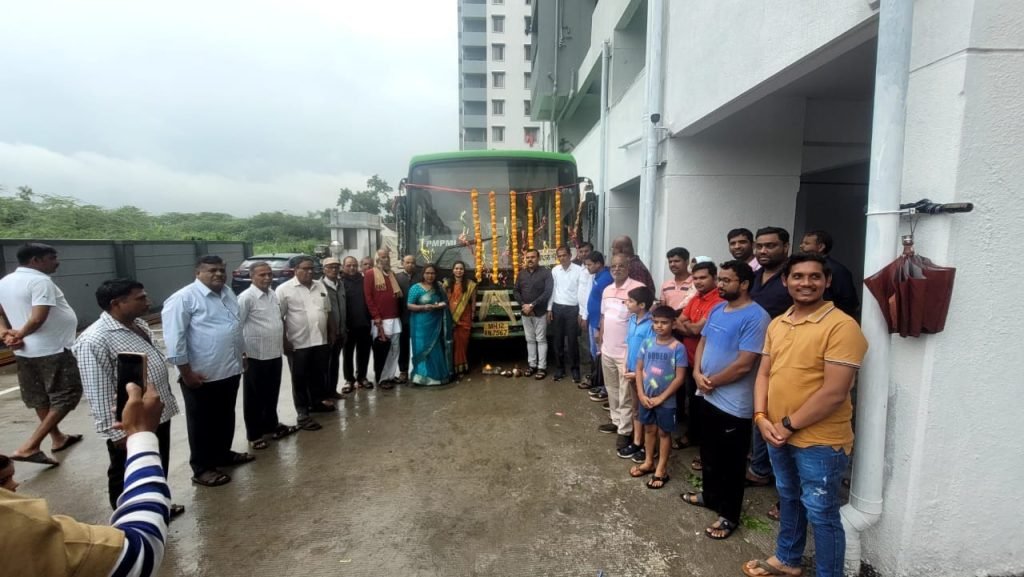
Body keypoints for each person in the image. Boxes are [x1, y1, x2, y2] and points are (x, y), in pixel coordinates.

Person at [743, 253, 867, 577]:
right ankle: (788, 559)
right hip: (775, 432)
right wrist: (760, 417)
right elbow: (764, 374)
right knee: (789, 497)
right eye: (798, 276)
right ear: (786, 281)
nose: (806, 283)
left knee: (821, 512)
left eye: (815, 276)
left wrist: (787, 425)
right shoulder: (778, 323)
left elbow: (835, 392)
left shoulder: (842, 326)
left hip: (820, 441)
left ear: (827, 281)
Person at [1, 382, 171, 577]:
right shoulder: (19, 528)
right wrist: (141, 436)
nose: (15, 485)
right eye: (2, 482)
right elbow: (138, 555)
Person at [72, 279, 184, 517]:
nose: (148, 301)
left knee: (154, 462)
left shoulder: (139, 324)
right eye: (140, 298)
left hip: (155, 413)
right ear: (116, 303)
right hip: (128, 423)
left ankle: (155, 506)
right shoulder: (94, 339)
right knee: (127, 471)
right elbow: (98, 392)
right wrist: (118, 434)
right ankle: (127, 516)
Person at [680, 260, 770, 540]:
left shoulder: (757, 317)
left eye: (726, 280)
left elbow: (745, 364)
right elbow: (703, 341)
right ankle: (710, 496)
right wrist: (697, 373)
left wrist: (712, 382)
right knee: (709, 452)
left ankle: (729, 515)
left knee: (731, 462)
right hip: (707, 394)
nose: (720, 284)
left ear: (744, 284)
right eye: (719, 279)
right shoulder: (718, 309)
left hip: (733, 404)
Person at [162, 255, 251, 488]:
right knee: (202, 423)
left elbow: (235, 327)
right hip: (202, 375)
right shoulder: (183, 299)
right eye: (212, 270)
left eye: (221, 270)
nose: (218, 274)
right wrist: (186, 373)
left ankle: (222, 455)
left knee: (225, 416)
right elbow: (175, 340)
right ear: (198, 273)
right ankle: (201, 468)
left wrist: (242, 354)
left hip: (230, 368)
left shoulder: (228, 293)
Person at [0, 243, 83, 467]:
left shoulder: (5, 282)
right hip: (53, 348)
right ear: (35, 260)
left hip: (26, 351)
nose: (57, 262)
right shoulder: (40, 281)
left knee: (40, 395)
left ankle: (57, 438)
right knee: (67, 394)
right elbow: (38, 317)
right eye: (51, 258)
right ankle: (30, 446)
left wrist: (6, 334)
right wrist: (18, 334)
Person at [747, 227, 793, 495]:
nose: (763, 251)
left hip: (782, 357)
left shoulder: (791, 278)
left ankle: (774, 477)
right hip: (753, 354)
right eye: (760, 246)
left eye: (770, 246)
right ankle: (759, 466)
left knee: (776, 413)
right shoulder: (754, 277)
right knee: (758, 410)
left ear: (785, 247)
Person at [237, 262, 300, 446]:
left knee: (271, 392)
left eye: (269, 274)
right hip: (254, 355)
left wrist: (284, 341)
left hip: (273, 352)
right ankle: (254, 435)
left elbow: (278, 320)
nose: (267, 278)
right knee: (254, 396)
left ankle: (271, 425)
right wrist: (241, 352)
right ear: (252, 276)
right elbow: (236, 326)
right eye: (262, 275)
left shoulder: (272, 294)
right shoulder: (246, 298)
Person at [626, 305, 687, 490]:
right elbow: (638, 369)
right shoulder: (647, 343)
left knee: (664, 433)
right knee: (649, 429)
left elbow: (680, 378)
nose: (659, 326)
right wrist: (641, 394)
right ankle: (648, 462)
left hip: (666, 401)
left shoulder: (678, 348)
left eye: (664, 322)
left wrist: (661, 398)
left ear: (673, 324)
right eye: (656, 322)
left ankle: (661, 469)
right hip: (646, 397)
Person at [672, 261, 725, 464]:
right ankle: (693, 437)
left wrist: (687, 326)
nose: (698, 281)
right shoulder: (696, 298)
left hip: (708, 364)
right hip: (690, 359)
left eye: (703, 277)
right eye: (695, 278)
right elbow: (681, 321)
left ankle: (706, 449)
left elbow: (696, 330)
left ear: (714, 278)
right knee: (693, 402)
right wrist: (688, 326)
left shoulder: (718, 301)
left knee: (707, 408)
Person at [277, 256, 336, 430]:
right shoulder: (284, 289)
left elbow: (328, 311)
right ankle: (302, 413)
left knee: (318, 375)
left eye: (312, 268)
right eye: (305, 268)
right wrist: (284, 341)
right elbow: (279, 318)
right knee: (299, 378)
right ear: (295, 270)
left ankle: (316, 403)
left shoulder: (320, 286)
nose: (310, 272)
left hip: (320, 340)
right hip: (298, 343)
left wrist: (332, 332)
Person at [598, 253, 646, 450]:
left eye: (621, 266)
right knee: (612, 389)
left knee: (626, 393)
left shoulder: (637, 289)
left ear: (628, 267)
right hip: (607, 349)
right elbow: (604, 316)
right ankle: (616, 420)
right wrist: (601, 338)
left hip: (626, 352)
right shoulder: (607, 290)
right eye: (613, 266)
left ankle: (625, 431)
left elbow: (643, 317)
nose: (616, 269)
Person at [617, 286, 656, 461]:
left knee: (647, 411)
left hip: (645, 375)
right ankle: (637, 441)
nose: (627, 303)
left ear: (642, 305)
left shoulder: (651, 324)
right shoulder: (632, 319)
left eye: (630, 301)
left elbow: (651, 353)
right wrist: (626, 364)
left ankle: (650, 447)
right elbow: (629, 344)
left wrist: (639, 374)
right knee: (636, 409)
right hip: (632, 371)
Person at [548, 245, 589, 383]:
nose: (562, 258)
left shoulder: (579, 270)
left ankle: (575, 369)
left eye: (564, 255)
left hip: (572, 309)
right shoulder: (555, 270)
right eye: (559, 256)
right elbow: (552, 290)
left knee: (572, 341)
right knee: (558, 341)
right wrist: (549, 309)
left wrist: (581, 312)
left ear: (570, 255)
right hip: (557, 308)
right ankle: (560, 369)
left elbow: (582, 292)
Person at [407, 264, 453, 385]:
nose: (430, 276)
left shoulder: (439, 287)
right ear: (423, 274)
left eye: (432, 273)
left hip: (436, 324)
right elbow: (409, 305)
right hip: (420, 325)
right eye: (427, 273)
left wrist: (438, 305)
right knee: (421, 348)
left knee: (435, 348)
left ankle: (437, 377)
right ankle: (421, 376)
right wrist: (423, 307)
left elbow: (445, 302)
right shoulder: (416, 288)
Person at [364, 248, 403, 389]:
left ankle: (390, 375)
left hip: (394, 318)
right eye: (382, 257)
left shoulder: (391, 274)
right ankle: (382, 378)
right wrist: (376, 316)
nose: (385, 259)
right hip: (381, 319)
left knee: (394, 349)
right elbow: (368, 297)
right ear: (377, 259)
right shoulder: (370, 274)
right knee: (382, 351)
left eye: (387, 257)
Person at [799, 230, 860, 317]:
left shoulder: (837, 270)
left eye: (806, 243)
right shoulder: (800, 266)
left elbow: (849, 302)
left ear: (821, 247)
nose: (801, 246)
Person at [513, 248, 553, 379]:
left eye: (533, 257)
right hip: (526, 312)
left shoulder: (546, 273)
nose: (530, 259)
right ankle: (532, 365)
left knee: (540, 339)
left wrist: (532, 305)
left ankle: (542, 367)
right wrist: (523, 305)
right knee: (529, 340)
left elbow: (548, 292)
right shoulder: (521, 274)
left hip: (539, 312)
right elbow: (516, 291)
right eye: (528, 257)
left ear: (538, 258)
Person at [584, 251, 613, 402]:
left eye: (589, 265)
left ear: (598, 264)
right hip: (593, 320)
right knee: (594, 353)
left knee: (601, 355)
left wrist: (600, 327)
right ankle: (598, 382)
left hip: (599, 324)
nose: (587, 267)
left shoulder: (606, 278)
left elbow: (606, 304)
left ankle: (604, 388)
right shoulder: (598, 276)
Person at [341, 256, 372, 391]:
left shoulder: (364, 280)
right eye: (348, 265)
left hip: (364, 323)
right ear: (343, 266)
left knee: (364, 352)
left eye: (354, 265)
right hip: (347, 325)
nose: (352, 268)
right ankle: (349, 380)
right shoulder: (340, 282)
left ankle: (362, 377)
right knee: (347, 354)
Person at [321, 257, 348, 397]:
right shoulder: (319, 286)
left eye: (336, 267)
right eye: (330, 267)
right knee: (325, 364)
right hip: (326, 333)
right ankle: (324, 394)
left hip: (341, 331)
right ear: (324, 269)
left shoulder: (341, 284)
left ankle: (332, 390)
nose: (334, 270)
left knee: (335, 363)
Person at [445, 260, 476, 377]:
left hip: (464, 317)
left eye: (461, 269)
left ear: (464, 271)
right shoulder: (446, 284)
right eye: (456, 268)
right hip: (450, 316)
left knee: (462, 344)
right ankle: (451, 369)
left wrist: (472, 314)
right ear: (453, 270)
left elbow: (473, 302)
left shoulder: (470, 285)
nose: (459, 271)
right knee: (451, 343)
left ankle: (461, 368)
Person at [394, 254, 420, 384]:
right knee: (403, 345)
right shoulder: (396, 278)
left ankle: (419, 370)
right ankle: (403, 371)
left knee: (419, 344)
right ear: (402, 263)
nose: (410, 265)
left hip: (418, 317)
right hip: (402, 317)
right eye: (408, 262)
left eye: (413, 262)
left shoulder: (420, 277)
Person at [661, 247, 696, 311]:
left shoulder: (696, 283)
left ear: (687, 262)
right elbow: (663, 309)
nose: (672, 264)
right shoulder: (666, 285)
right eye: (670, 262)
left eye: (676, 261)